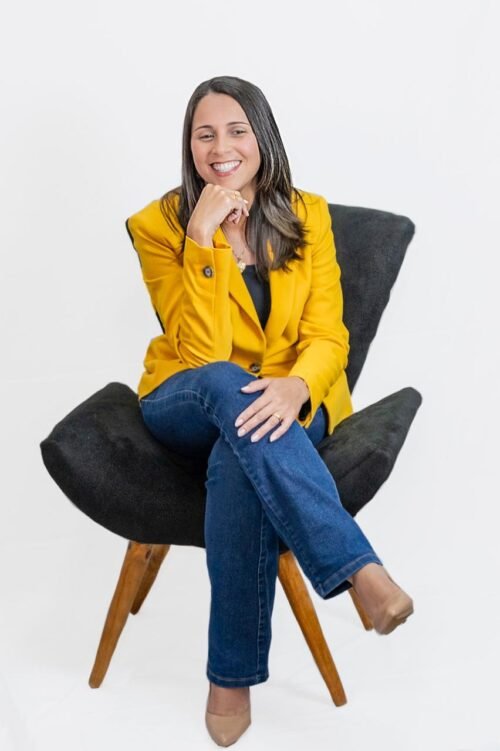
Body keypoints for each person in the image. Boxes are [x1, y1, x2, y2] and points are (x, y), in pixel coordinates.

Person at [125, 75, 414, 747]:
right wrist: (203, 241)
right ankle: (359, 568)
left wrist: (296, 387)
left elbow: (329, 336)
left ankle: (229, 679)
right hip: (188, 397)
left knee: (239, 453)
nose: (220, 147)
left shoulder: (307, 215)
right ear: (189, 146)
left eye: (236, 131)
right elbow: (199, 353)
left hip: (290, 404)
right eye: (204, 134)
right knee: (226, 385)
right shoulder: (158, 225)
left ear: (262, 139)